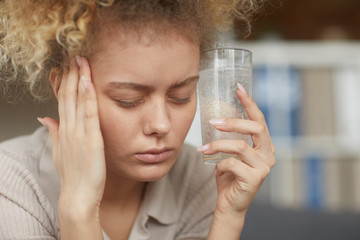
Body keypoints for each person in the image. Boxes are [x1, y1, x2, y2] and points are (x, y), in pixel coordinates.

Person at [0, 0, 275, 239]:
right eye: (128, 100)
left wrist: (229, 217)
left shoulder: (198, 179)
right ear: (64, 88)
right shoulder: (12, 184)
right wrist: (78, 208)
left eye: (181, 95)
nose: (161, 125)